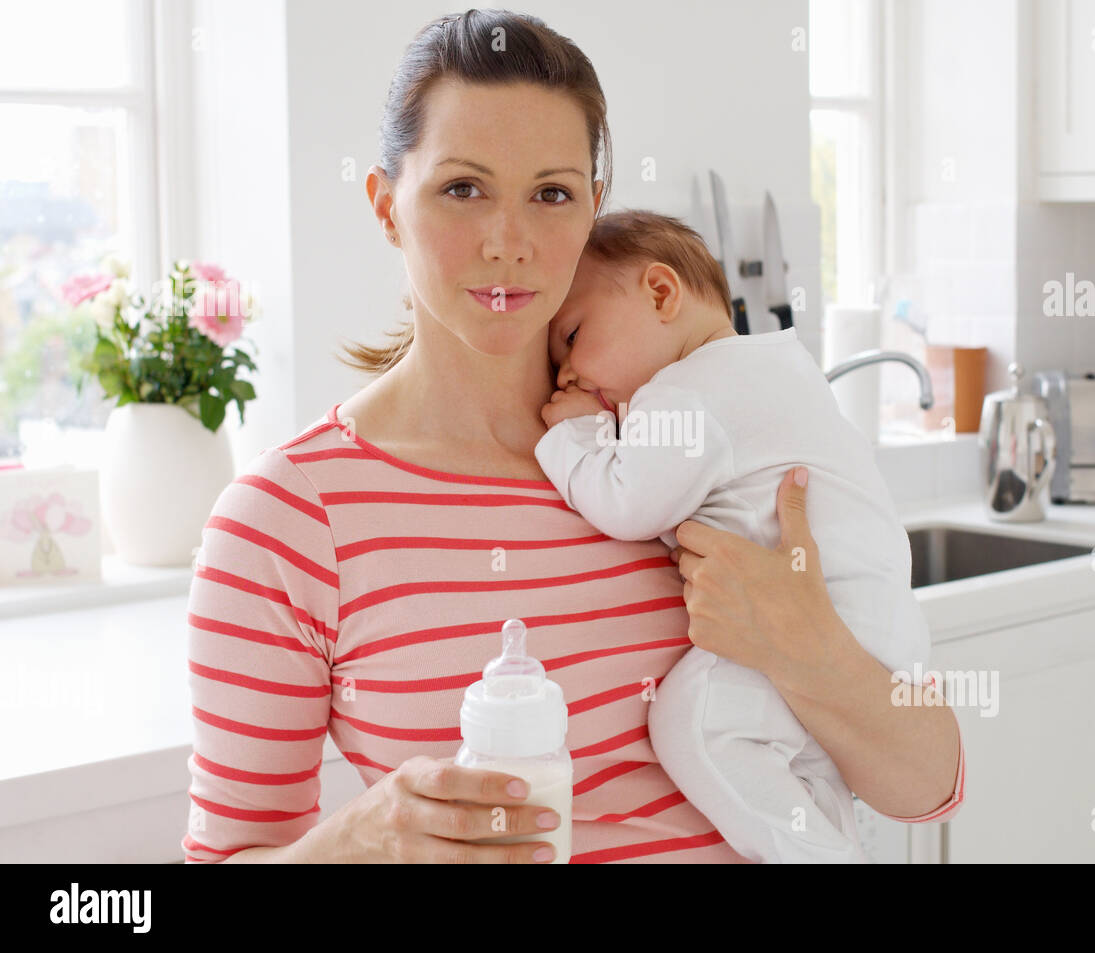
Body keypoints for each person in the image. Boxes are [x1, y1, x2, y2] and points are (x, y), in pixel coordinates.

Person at [181, 8, 963, 865]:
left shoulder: (686, 450)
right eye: (462, 188)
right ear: (385, 205)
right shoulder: (290, 519)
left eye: (551, 193)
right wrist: (361, 842)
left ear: (592, 209)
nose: (509, 242)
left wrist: (806, 646)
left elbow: (925, 788)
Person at [532, 210, 959, 862]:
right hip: (877, 632)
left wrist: (574, 436)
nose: (564, 373)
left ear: (660, 293)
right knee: (807, 778)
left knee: (691, 721)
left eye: (573, 336)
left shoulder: (686, 393)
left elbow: (625, 502)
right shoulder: (774, 364)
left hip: (830, 620)